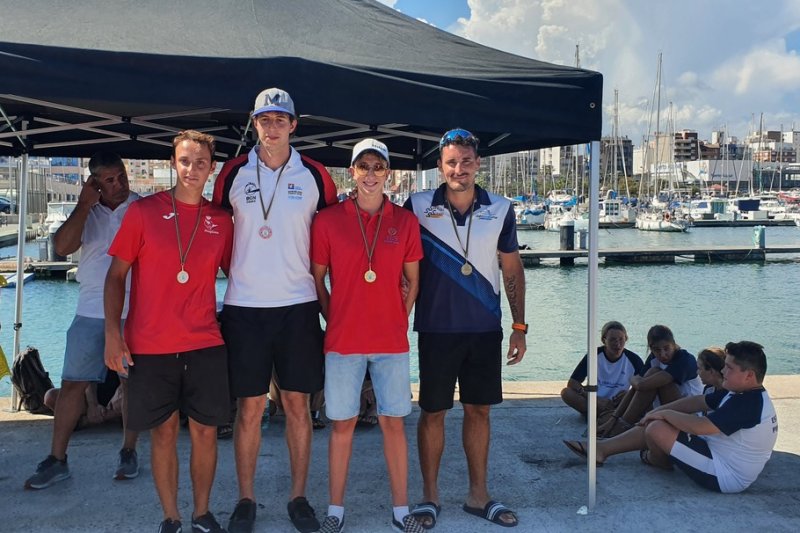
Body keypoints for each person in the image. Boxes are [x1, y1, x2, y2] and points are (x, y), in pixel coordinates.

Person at [212, 87, 338, 533]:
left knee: (297, 405)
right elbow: (214, 231)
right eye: (264, 119)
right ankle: (246, 500)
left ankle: (298, 498)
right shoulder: (232, 172)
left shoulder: (316, 175)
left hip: (298, 305)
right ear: (254, 123)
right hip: (245, 306)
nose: (272, 127)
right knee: (248, 408)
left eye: (280, 119)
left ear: (293, 125)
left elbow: (335, 234)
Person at [104, 130, 233, 533]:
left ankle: (201, 513)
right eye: (185, 161)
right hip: (151, 345)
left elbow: (242, 273)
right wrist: (112, 333)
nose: (192, 169)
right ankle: (171, 517)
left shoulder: (221, 221)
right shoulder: (143, 213)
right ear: (172, 164)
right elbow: (115, 276)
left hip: (205, 342)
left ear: (212, 168)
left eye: (201, 163)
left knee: (206, 433)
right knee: (163, 434)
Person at [404, 128, 527, 529]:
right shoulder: (417, 205)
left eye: (466, 161)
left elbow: (512, 269)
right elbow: (401, 267)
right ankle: (429, 497)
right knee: (432, 412)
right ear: (440, 166)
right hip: (436, 328)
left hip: (483, 328)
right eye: (452, 162)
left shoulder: (501, 208)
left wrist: (519, 326)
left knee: (479, 410)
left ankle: (478, 496)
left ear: (478, 164)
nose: (459, 169)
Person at [311, 139, 424, 533]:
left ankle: (401, 511)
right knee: (342, 425)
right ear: (352, 172)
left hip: (390, 343)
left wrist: (398, 319)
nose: (371, 174)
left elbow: (413, 281)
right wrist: (334, 317)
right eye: (364, 166)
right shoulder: (328, 221)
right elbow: (318, 279)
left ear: (388, 173)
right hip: (343, 342)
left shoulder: (405, 221)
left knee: (393, 424)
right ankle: (335, 511)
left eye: (378, 167)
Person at [24, 152, 140, 490]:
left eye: (121, 176)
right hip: (89, 309)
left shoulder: (142, 207)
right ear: (95, 183)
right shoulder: (86, 212)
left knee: (130, 384)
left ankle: (129, 451)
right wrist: (84, 205)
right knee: (72, 383)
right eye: (109, 180)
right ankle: (57, 459)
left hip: (132, 311)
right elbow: (62, 247)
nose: (118, 185)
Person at [564, 341, 778, 494]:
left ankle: (657, 459)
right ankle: (602, 449)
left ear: (749, 375)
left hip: (725, 475)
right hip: (716, 452)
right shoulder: (741, 393)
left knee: (657, 428)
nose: (723, 371)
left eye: (729, 368)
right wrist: (657, 412)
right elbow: (696, 402)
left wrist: (664, 413)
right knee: (657, 421)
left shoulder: (748, 403)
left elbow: (700, 426)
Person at [598, 325, 702, 438]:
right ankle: (621, 424)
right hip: (666, 410)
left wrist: (632, 379)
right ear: (651, 349)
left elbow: (641, 384)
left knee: (655, 374)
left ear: (674, 344)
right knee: (652, 374)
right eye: (657, 350)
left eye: (666, 348)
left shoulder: (685, 360)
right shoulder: (654, 358)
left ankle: (622, 427)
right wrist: (614, 418)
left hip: (691, 415)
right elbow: (635, 389)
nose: (662, 354)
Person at [561, 321, 644, 419]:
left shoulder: (634, 360)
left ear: (626, 339)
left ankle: (602, 415)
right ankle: (608, 416)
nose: (617, 344)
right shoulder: (594, 355)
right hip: (593, 401)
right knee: (566, 393)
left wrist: (629, 394)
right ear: (604, 340)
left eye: (621, 339)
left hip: (619, 403)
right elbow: (573, 382)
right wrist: (594, 398)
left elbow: (644, 385)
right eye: (612, 339)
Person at [44, 371, 124, 430]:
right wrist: (92, 404)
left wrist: (121, 390)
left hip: (120, 391)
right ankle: (108, 415)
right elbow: (86, 374)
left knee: (124, 398)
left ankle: (87, 420)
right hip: (91, 394)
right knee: (51, 396)